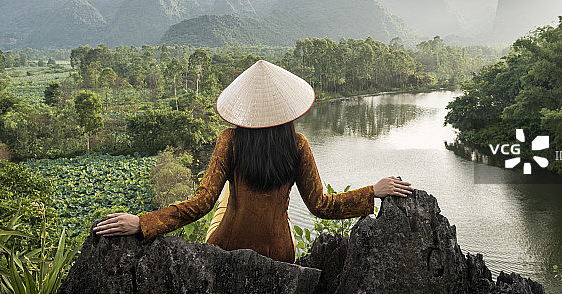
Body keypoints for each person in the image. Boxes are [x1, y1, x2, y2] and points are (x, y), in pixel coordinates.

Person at [92, 60, 414, 263]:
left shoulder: (230, 141)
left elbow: (202, 202)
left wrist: (143, 223)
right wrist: (372, 191)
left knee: (221, 204)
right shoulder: (297, 144)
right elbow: (320, 204)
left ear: (244, 108)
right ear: (286, 107)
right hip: (280, 254)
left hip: (228, 251)